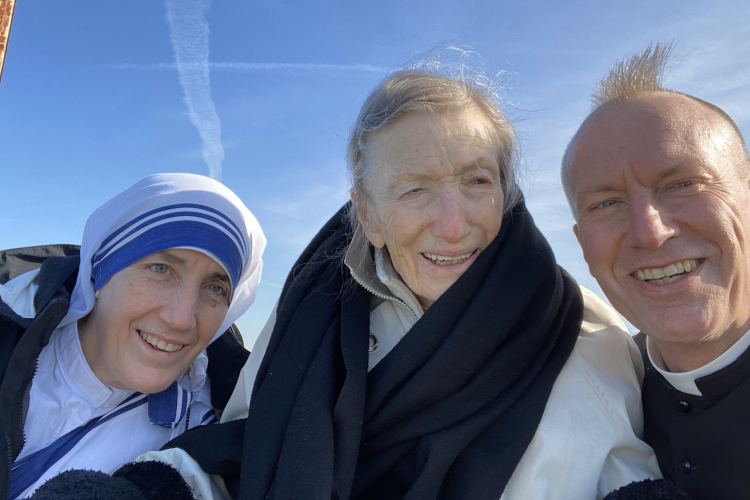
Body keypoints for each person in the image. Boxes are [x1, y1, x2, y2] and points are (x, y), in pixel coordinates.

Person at [123, 66, 660, 500]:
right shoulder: (309, 322)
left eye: (476, 181)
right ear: (369, 215)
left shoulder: (585, 338)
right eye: (414, 190)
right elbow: (244, 452)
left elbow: (631, 476)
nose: (454, 225)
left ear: (506, 191)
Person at [0, 173, 266, 499]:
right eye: (160, 268)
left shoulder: (208, 437)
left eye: (215, 287)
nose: (182, 319)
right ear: (100, 272)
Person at [562, 42, 750, 500]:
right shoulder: (590, 389)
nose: (650, 232)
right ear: (581, 242)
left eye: (684, 184)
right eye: (605, 203)